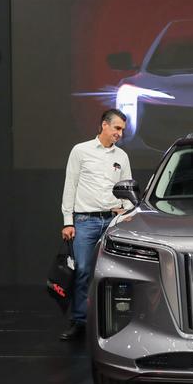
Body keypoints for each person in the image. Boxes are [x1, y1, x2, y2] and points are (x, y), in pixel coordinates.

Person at [59, 109, 132, 340]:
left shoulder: (122, 156)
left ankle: (115, 322)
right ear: (104, 125)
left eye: (122, 130)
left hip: (112, 221)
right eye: (117, 128)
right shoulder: (80, 151)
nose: (120, 133)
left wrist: (126, 212)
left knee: (117, 274)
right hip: (85, 220)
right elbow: (70, 186)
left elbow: (127, 189)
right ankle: (79, 321)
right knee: (82, 271)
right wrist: (67, 221)